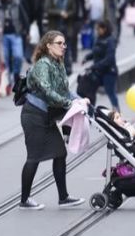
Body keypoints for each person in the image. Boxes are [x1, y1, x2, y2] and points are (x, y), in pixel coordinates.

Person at [19, 30, 85, 210]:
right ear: (48, 45)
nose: (63, 46)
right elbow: (47, 92)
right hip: (34, 116)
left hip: (46, 116)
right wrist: (68, 103)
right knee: (33, 157)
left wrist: (78, 99)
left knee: (59, 153)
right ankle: (25, 200)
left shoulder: (58, 63)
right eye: (59, 43)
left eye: (64, 43)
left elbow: (65, 90)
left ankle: (63, 197)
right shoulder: (43, 65)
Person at [83, 20, 119, 110]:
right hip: (98, 71)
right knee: (90, 91)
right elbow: (96, 52)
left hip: (109, 72)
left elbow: (109, 59)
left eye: (98, 29)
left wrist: (95, 66)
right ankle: (91, 111)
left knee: (111, 93)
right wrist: (87, 57)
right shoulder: (98, 38)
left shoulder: (110, 40)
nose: (97, 31)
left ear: (104, 29)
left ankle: (117, 112)